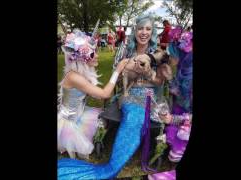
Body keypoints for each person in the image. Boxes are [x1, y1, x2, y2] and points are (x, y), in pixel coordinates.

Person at [58, 14, 170, 179]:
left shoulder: (158, 52)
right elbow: (116, 80)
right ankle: (114, 165)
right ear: (135, 31)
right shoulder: (125, 50)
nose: (144, 32)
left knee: (146, 112)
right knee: (134, 116)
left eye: (148, 29)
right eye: (140, 28)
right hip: (128, 93)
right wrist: (128, 71)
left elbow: (160, 82)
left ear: (153, 31)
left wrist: (149, 72)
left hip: (152, 95)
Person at [57, 29, 129, 159]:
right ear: (80, 58)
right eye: (92, 53)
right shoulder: (75, 77)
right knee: (92, 137)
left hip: (80, 113)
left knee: (103, 120)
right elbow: (105, 94)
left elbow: (96, 94)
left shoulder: (80, 74)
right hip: (69, 122)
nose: (97, 55)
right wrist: (117, 70)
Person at [159, 26, 193, 163]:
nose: (168, 56)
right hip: (181, 111)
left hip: (186, 118)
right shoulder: (183, 70)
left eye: (172, 53)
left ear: (182, 54)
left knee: (174, 156)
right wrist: (169, 78)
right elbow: (179, 94)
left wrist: (173, 119)